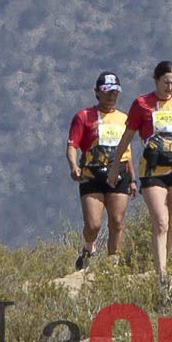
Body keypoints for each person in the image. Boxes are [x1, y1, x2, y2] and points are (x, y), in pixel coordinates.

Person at [108, 61, 172, 278]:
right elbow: (127, 136)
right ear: (156, 80)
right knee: (161, 222)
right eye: (166, 82)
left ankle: (166, 267)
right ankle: (161, 275)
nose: (170, 87)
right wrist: (116, 165)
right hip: (152, 171)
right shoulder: (142, 104)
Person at [66, 71, 137, 270]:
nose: (111, 96)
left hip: (118, 174)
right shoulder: (83, 116)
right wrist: (74, 166)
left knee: (117, 221)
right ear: (97, 92)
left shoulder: (124, 119)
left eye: (115, 92)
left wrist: (132, 179)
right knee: (93, 225)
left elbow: (127, 151)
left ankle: (113, 264)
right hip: (92, 175)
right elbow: (72, 145)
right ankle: (89, 249)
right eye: (107, 92)